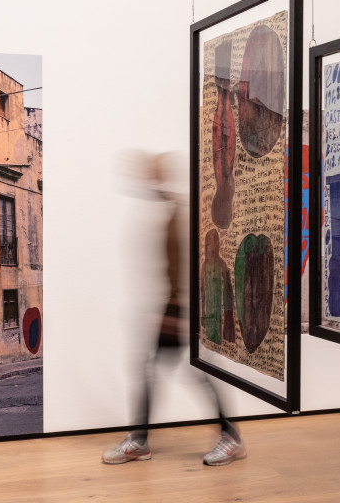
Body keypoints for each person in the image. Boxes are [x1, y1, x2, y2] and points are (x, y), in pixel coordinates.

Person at [102, 151, 246, 466]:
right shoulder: (169, 208)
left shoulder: (180, 213)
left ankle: (227, 436)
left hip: (179, 309)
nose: (141, 177)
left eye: (148, 172)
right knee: (172, 368)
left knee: (183, 369)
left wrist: (176, 311)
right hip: (173, 307)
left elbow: (187, 267)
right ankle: (144, 439)